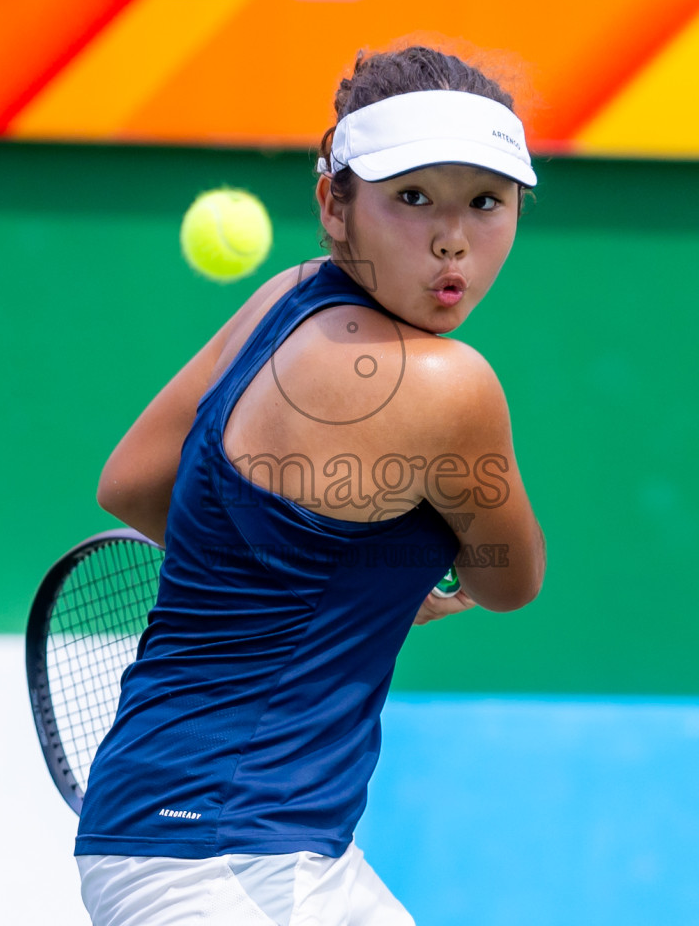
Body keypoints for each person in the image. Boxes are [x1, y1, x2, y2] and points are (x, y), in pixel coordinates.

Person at [77, 45, 547, 926]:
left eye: (485, 202)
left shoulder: (284, 297)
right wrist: (388, 575)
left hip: (272, 843)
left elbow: (133, 485)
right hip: (212, 859)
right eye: (414, 198)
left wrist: (327, 580)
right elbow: (507, 580)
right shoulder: (451, 384)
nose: (454, 238)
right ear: (336, 203)